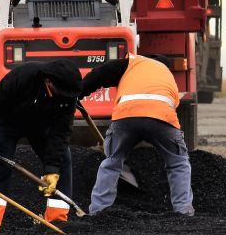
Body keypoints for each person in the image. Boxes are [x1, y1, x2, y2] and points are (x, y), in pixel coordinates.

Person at [0, 60, 82, 234]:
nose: (65, 96)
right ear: (48, 81)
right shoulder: (24, 76)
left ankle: (56, 221)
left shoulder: (68, 97)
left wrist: (52, 169)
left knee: (63, 161)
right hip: (8, 122)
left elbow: (60, 133)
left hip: (40, 126)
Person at [81, 53, 194, 216]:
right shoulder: (166, 75)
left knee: (111, 162)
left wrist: (79, 92)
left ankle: (98, 211)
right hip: (162, 117)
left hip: (126, 115)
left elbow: (99, 74)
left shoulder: (133, 63)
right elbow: (171, 106)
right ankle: (183, 211)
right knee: (178, 162)